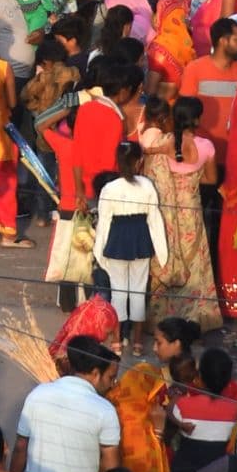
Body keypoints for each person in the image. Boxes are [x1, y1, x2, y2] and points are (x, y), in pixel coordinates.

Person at [17, 339, 125, 472]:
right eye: (110, 378)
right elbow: (110, 468)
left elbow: (21, 447)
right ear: (95, 374)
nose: (112, 384)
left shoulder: (37, 394)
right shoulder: (105, 411)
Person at [94, 141, 169, 332]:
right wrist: (162, 253)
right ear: (139, 162)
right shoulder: (147, 185)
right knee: (138, 289)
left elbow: (103, 223)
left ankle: (118, 339)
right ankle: (136, 342)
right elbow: (154, 219)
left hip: (117, 239)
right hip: (140, 239)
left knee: (117, 290)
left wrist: (99, 251)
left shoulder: (110, 188)